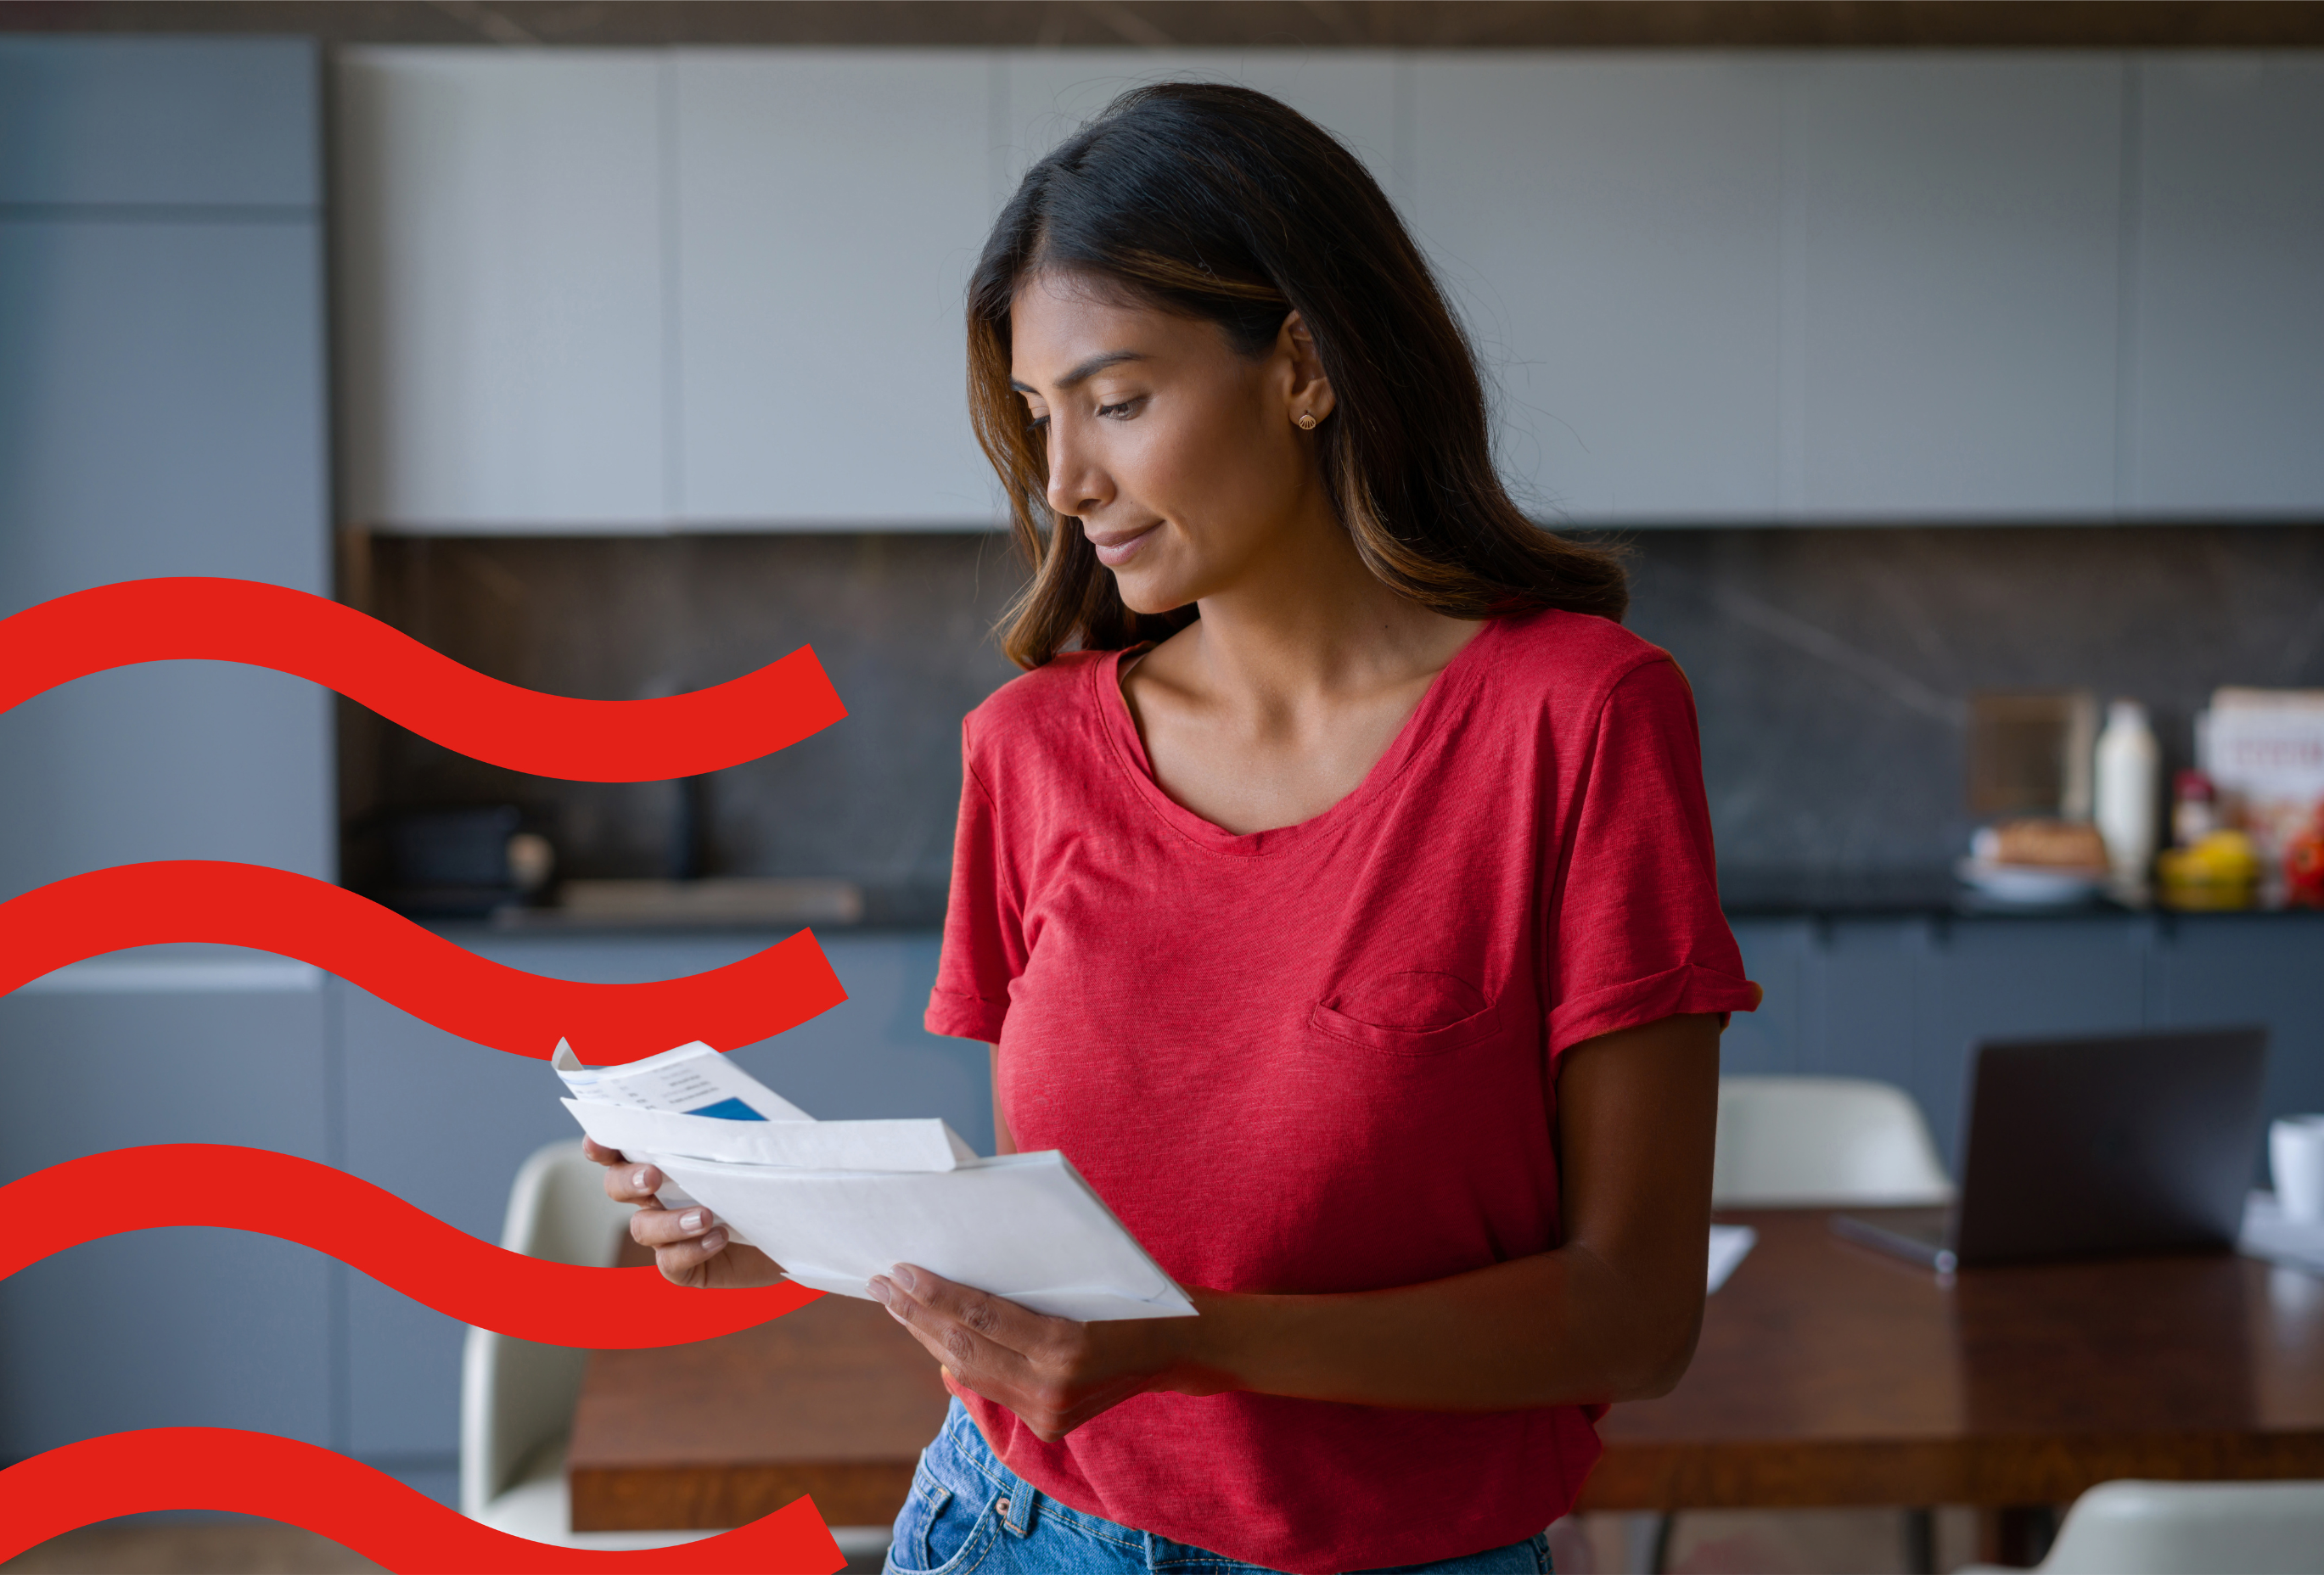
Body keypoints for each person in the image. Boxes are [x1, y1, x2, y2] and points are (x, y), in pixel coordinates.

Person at [591, 81, 1758, 1575]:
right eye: (1037, 416)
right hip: (1017, 1531)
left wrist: (1188, 1348)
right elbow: (1046, 1257)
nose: (1065, 482)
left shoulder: (1580, 719)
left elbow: (1634, 1316)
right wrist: (775, 1223)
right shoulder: (1026, 752)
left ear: (1306, 367)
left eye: (1117, 401)